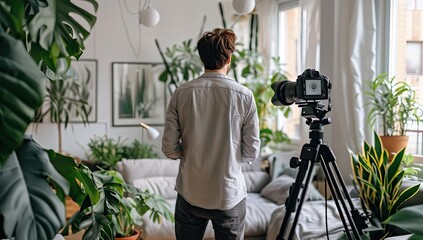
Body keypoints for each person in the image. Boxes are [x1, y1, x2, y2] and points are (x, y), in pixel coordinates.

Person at [162, 28, 261, 240]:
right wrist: (230, 159)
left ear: (201, 58)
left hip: (190, 191)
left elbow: (169, 148)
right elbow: (252, 151)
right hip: (229, 194)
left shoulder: (182, 92)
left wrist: (189, 153)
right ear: (229, 58)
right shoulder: (244, 96)